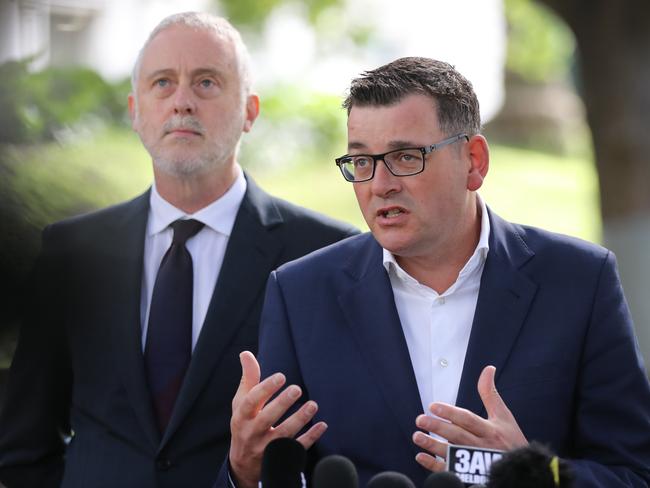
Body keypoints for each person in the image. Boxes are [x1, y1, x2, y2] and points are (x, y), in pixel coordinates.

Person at [225, 57, 650, 488]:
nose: (379, 184)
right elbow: (275, 472)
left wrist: (540, 474)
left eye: (405, 157)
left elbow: (635, 472)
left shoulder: (580, 281)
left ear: (474, 162)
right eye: (362, 162)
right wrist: (243, 471)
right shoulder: (300, 293)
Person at [0, 12, 357, 488]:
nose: (182, 101)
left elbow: (342, 448)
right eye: (162, 83)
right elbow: (24, 447)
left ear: (250, 111)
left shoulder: (326, 253)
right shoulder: (71, 251)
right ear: (135, 109)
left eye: (207, 82)